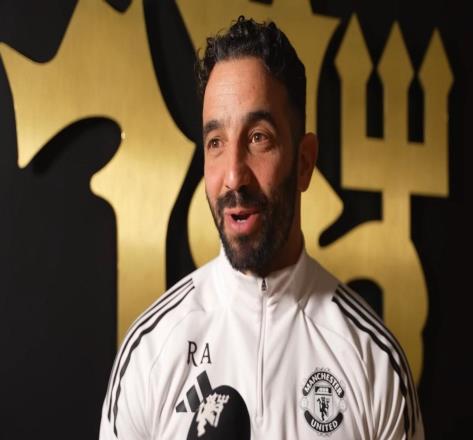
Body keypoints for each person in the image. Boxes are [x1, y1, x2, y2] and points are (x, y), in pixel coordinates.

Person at [99, 16, 424, 439]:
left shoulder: (374, 363)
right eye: (216, 142)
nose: (234, 176)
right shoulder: (151, 351)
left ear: (304, 162)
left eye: (258, 138)